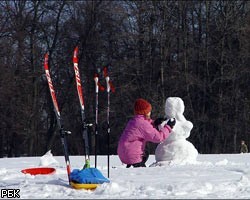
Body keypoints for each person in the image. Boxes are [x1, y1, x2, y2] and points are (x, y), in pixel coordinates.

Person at [117, 98, 176, 168]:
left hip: (124, 153)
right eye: (149, 111)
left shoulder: (134, 120)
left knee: (145, 151)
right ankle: (138, 166)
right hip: (132, 156)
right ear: (144, 112)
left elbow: (145, 126)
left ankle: (133, 166)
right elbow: (159, 138)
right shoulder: (142, 124)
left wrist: (154, 123)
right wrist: (168, 126)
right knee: (142, 174)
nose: (150, 112)